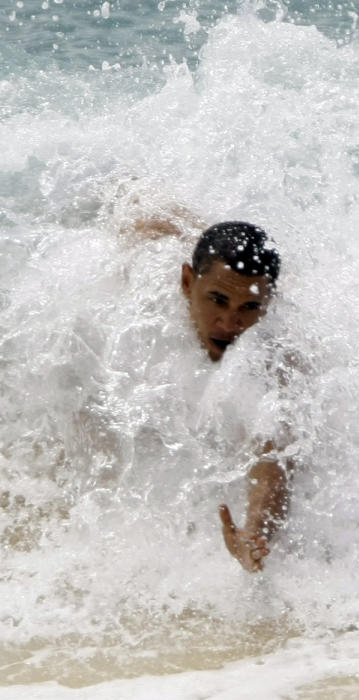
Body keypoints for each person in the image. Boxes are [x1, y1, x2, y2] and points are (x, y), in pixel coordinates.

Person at [134, 213, 290, 572]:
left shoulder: (274, 353)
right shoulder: (146, 300)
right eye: (217, 300)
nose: (230, 323)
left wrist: (254, 532)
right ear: (187, 283)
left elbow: (275, 456)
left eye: (250, 308)